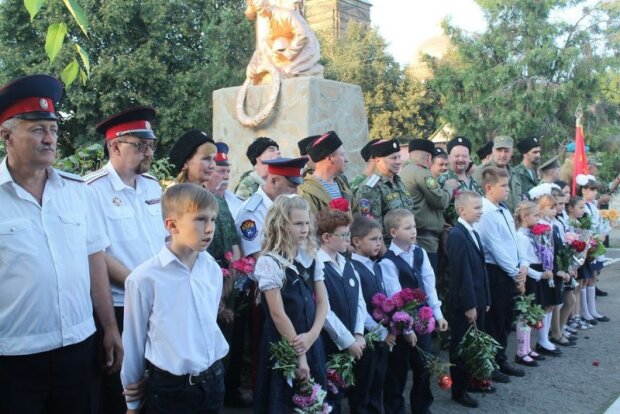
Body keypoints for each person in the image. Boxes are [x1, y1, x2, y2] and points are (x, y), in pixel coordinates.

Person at [0, 74, 121, 413]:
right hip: (14, 356)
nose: (49, 139)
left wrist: (109, 328)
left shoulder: (77, 192)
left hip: (78, 348)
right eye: (37, 129)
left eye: (53, 130)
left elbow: (94, 259)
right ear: (6, 135)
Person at [85, 106, 167, 413]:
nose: (149, 153)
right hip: (121, 306)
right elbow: (99, 256)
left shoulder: (152, 186)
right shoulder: (91, 189)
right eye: (141, 145)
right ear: (115, 145)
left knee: (153, 386)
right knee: (120, 393)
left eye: (151, 145)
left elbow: (164, 240)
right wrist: (141, 284)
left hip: (157, 303)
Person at [121, 183, 229, 413]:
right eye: (200, 220)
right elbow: (134, 342)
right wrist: (132, 403)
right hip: (171, 390)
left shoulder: (211, 269)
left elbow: (207, 323)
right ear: (172, 225)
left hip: (213, 381)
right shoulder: (144, 278)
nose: (210, 228)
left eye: (213, 219)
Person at [253, 195, 329, 413]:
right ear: (281, 225)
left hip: (310, 340)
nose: (304, 229)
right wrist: (300, 354)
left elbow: (323, 302)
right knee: (283, 402)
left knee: (313, 401)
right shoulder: (270, 262)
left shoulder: (311, 257)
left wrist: (312, 336)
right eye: (297, 223)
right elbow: (278, 314)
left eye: (306, 223)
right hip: (284, 344)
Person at [380, 208, 448, 414]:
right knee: (397, 369)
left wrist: (438, 314)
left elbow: (429, 283)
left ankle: (421, 407)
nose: (413, 231)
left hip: (423, 319)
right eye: (407, 227)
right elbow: (395, 296)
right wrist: (407, 330)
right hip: (400, 323)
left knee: (423, 366)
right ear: (393, 232)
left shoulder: (420, 253)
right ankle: (395, 408)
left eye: (414, 227)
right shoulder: (388, 261)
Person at [474, 167, 527, 383]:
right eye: (503, 186)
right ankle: (491, 363)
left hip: (510, 271)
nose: (507, 190)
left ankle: (501, 358)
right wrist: (516, 273)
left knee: (506, 319)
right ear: (489, 188)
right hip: (496, 272)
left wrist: (523, 263)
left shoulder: (503, 209)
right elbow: (495, 248)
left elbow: (515, 240)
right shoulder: (486, 212)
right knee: (494, 321)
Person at [315, 208, 366, 413]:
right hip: (331, 344)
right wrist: (347, 340)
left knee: (345, 391)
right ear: (327, 237)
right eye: (343, 235)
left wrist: (358, 333)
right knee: (330, 397)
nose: (349, 239)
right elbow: (324, 311)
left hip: (353, 342)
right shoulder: (318, 265)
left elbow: (360, 301)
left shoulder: (348, 264)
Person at [447, 191, 491, 408]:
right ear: (461, 209)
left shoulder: (471, 231)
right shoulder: (457, 234)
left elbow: (480, 270)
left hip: (478, 298)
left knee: (475, 345)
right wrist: (470, 305)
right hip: (467, 302)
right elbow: (461, 274)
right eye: (476, 208)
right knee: (462, 347)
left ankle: (473, 381)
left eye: (481, 207)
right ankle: (459, 390)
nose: (480, 211)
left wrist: (485, 298)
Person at [349, 216, 396, 414]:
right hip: (367, 336)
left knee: (378, 381)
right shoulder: (353, 267)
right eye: (373, 239)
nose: (379, 244)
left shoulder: (375, 265)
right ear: (357, 241)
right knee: (363, 386)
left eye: (380, 239)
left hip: (381, 336)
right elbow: (361, 310)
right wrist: (382, 334)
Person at [514, 201, 562, 359]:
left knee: (532, 313)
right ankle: (521, 351)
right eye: (535, 215)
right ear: (525, 217)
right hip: (529, 277)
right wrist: (540, 275)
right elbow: (523, 263)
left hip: (535, 275)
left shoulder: (529, 233)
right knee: (525, 314)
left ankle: (527, 348)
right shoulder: (521, 236)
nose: (538, 218)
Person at [401, 138, 456, 273]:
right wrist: (449, 187)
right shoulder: (422, 173)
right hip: (425, 240)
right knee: (428, 283)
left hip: (415, 236)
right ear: (430, 157)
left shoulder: (405, 171)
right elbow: (441, 201)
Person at [235, 157, 308, 258]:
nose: (296, 192)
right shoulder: (252, 213)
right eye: (291, 186)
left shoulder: (292, 205)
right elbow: (258, 257)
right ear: (274, 181)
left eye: (297, 187)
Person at [355, 139, 413, 245]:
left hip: (407, 246)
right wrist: (385, 254)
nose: (398, 161)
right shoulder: (370, 187)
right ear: (377, 161)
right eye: (393, 158)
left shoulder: (398, 182)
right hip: (388, 249)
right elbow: (371, 227)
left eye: (399, 157)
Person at [299, 131, 355, 214]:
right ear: (330, 158)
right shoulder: (305, 192)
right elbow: (311, 225)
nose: (346, 160)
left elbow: (356, 216)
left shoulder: (342, 184)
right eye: (342, 155)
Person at [474, 135, 523, 212]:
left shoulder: (515, 172)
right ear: (493, 151)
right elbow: (476, 199)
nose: (503, 155)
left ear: (511, 152)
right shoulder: (482, 171)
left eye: (506, 151)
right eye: (499, 150)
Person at [214, 141, 243, 217]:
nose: (227, 176)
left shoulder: (236, 201)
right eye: (221, 171)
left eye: (228, 171)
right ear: (208, 172)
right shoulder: (199, 199)